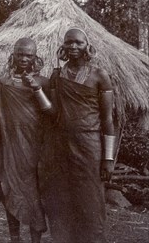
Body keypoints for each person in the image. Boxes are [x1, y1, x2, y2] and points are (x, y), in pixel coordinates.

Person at [39, 28, 115, 243]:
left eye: (78, 43)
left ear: (86, 46)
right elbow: (53, 113)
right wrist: (37, 91)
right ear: (63, 46)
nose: (73, 47)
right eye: (69, 42)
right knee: (61, 199)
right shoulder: (57, 75)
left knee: (90, 200)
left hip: (89, 145)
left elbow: (108, 120)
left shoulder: (99, 75)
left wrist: (108, 158)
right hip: (60, 146)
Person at [0, 38, 51, 243]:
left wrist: (36, 89)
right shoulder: (3, 83)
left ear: (35, 57)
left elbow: (52, 116)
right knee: (9, 192)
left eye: (28, 55)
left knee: (34, 198)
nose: (23, 59)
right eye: (20, 54)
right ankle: (15, 240)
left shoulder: (44, 82)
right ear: (13, 55)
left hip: (33, 149)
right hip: (8, 148)